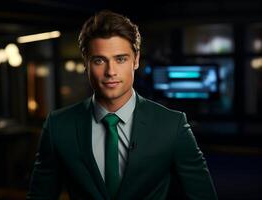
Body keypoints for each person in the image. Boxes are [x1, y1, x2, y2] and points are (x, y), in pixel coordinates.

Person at [27, 10, 218, 200]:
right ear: (86, 62)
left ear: (135, 60)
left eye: (120, 59)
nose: (111, 71)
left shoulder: (173, 124)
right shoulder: (58, 126)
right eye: (99, 60)